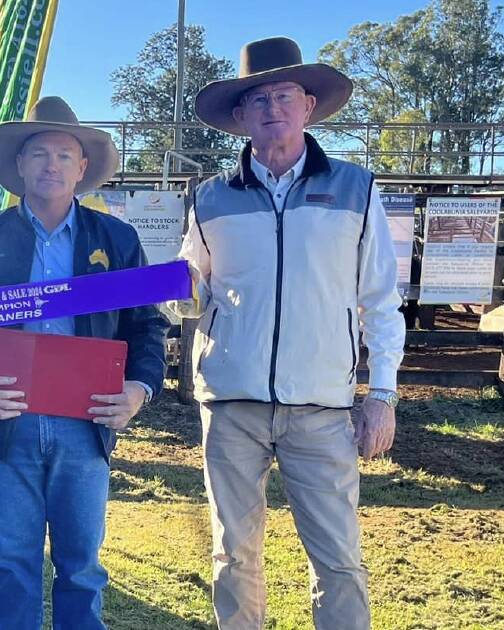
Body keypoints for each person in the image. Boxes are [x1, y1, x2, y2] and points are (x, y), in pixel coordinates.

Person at [172, 36, 406, 630]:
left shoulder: (357, 188)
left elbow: (379, 298)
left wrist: (381, 396)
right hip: (230, 406)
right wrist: (175, 292)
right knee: (232, 552)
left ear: (307, 105)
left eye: (283, 95)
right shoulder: (210, 198)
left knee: (338, 558)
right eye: (257, 98)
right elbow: (190, 289)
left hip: (324, 410)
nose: (271, 107)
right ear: (241, 116)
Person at [0, 96, 169, 629]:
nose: (51, 165)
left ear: (83, 168)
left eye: (65, 155)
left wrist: (139, 389)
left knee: (82, 567)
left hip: (85, 424)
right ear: (20, 164)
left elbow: (146, 326)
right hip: (9, 424)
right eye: (40, 153)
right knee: (13, 563)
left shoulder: (116, 239)